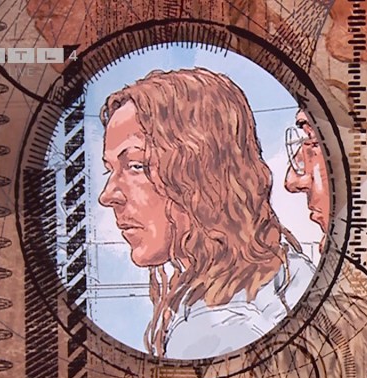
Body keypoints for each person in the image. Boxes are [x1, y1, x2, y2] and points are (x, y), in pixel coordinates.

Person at [98, 67, 314, 359]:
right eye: (110, 170)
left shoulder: (213, 333)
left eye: (137, 166)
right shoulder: (289, 273)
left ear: (202, 173)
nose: (108, 195)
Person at [284, 108, 331, 250]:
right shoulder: (305, 149)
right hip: (321, 212)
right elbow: (290, 182)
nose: (307, 128)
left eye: (310, 122)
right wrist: (306, 179)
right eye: (302, 124)